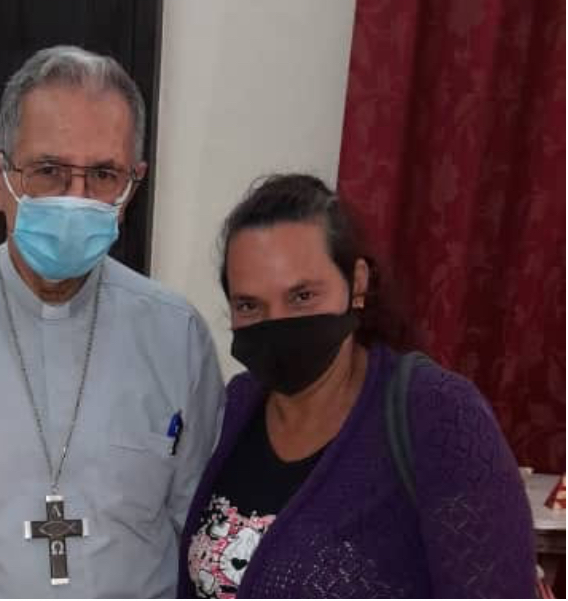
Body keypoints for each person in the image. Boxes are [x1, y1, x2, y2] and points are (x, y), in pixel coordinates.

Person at [0, 46, 225, 598]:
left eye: (103, 174)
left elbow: (197, 529)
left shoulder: (180, 337)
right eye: (49, 170)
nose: (76, 199)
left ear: (132, 185)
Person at [178, 174, 537, 598]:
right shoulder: (238, 405)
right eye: (249, 305)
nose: (277, 323)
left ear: (358, 283)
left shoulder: (440, 417)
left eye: (302, 296)